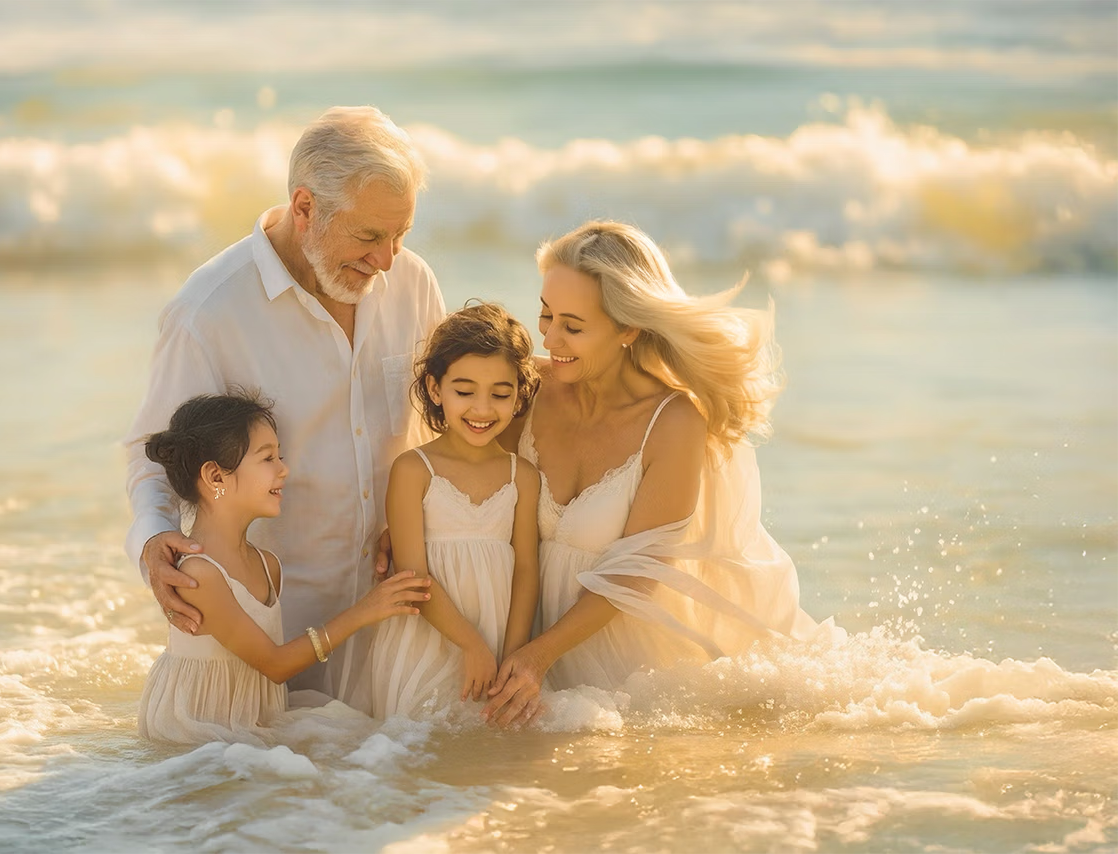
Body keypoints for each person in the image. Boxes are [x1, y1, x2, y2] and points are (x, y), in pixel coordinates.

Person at [124, 106, 446, 712]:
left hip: (398, 626)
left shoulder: (413, 281)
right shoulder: (209, 312)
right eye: (369, 237)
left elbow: (443, 419)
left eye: (400, 234)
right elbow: (153, 458)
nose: (387, 259)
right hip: (275, 638)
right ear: (305, 208)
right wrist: (153, 540)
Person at [481, 221, 834, 727]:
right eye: (546, 315)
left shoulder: (673, 422)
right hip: (522, 646)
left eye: (573, 327)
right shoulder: (525, 388)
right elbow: (462, 463)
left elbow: (636, 571)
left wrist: (540, 656)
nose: (550, 338)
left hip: (623, 671)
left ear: (628, 328)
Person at [137, 391, 432, 744]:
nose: (283, 469)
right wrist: (365, 611)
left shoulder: (267, 564)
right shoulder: (199, 575)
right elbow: (276, 665)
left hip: (255, 720)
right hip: (201, 731)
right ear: (215, 477)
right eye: (267, 458)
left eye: (280, 456)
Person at [369, 303, 541, 718]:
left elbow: (526, 571)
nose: (482, 409)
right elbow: (412, 575)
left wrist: (512, 655)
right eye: (464, 392)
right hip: (427, 644)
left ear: (518, 395)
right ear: (435, 389)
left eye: (500, 394)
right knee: (419, 744)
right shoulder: (413, 470)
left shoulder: (523, 475)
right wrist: (470, 644)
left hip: (497, 643)